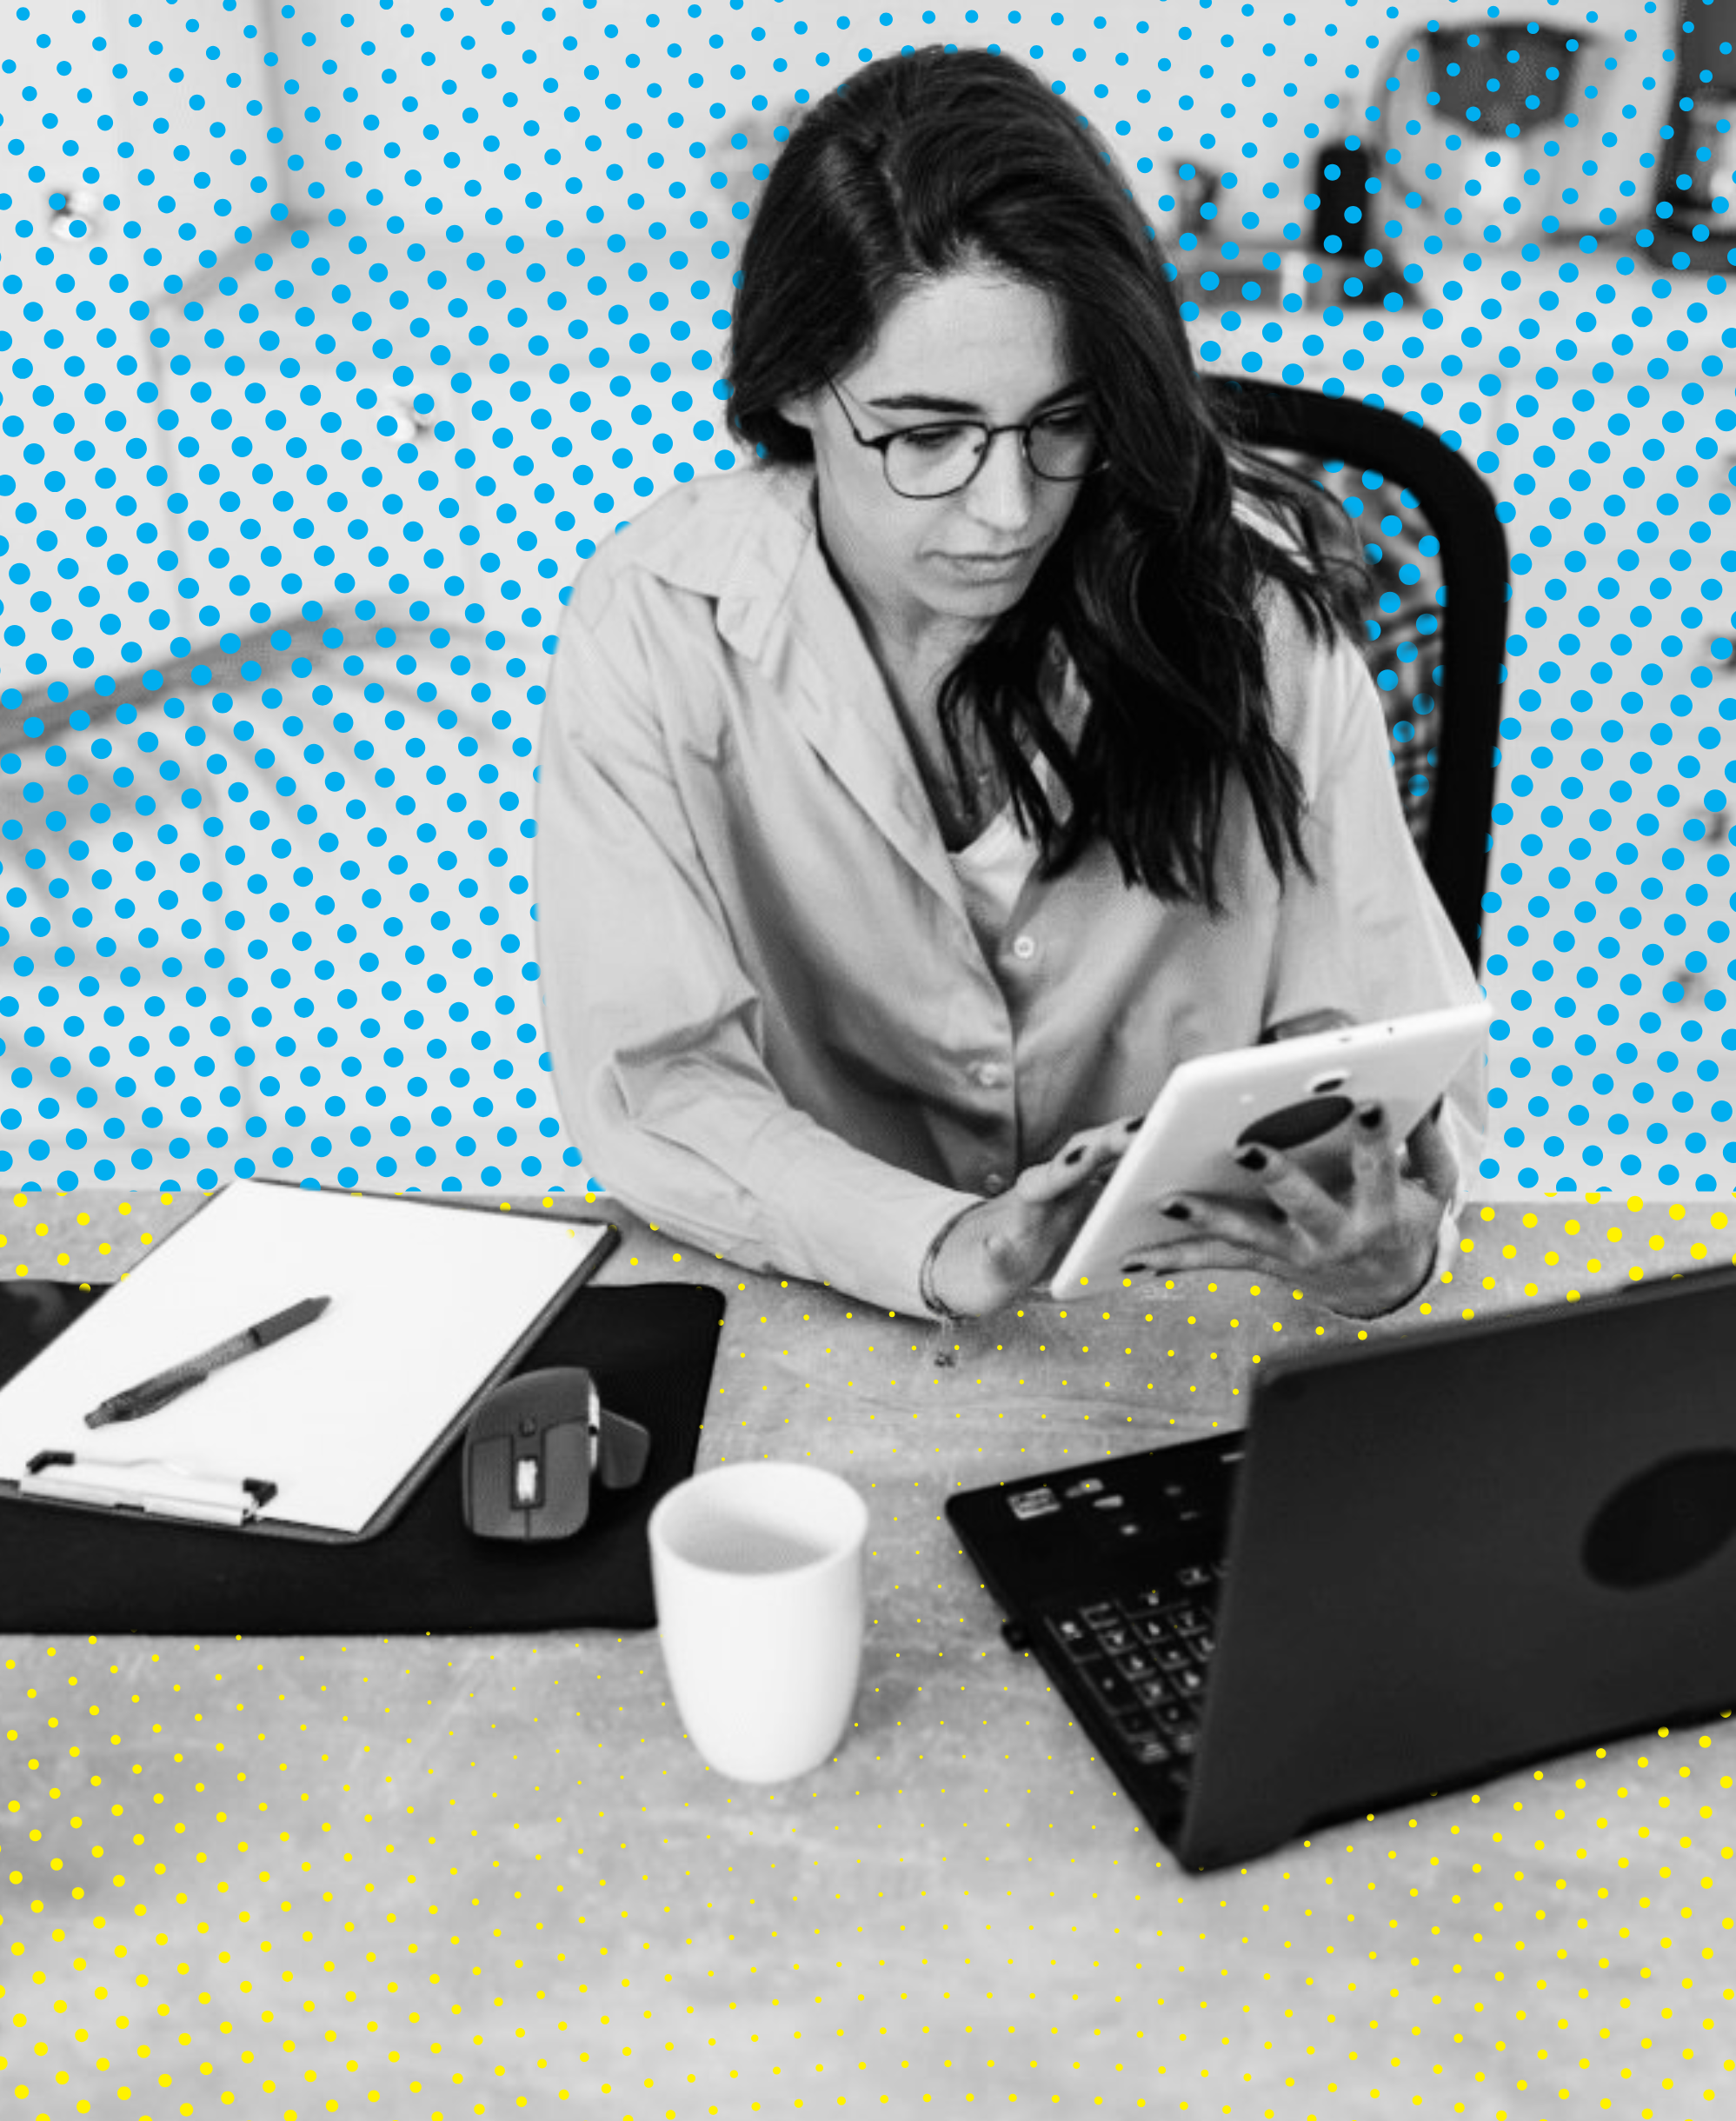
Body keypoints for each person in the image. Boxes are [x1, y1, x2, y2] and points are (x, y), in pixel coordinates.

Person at [535, 48, 1486, 1324]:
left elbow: (1389, 1062)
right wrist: (947, 1243)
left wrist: (1391, 1254)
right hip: (820, 1310)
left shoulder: (1255, 621)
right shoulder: (655, 623)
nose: (1008, 507)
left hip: (1189, 1320)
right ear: (795, 391)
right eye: (928, 436)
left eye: (1062, 422)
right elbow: (657, 1083)